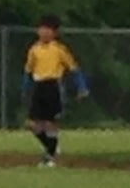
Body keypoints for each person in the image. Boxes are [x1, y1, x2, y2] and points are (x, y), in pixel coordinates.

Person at [23, 16, 85, 166]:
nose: (44, 32)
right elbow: (28, 70)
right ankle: (51, 146)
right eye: (41, 29)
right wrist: (25, 87)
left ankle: (50, 157)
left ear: (54, 33)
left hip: (53, 86)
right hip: (38, 86)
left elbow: (74, 69)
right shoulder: (34, 49)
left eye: (48, 30)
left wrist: (81, 87)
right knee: (32, 124)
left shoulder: (59, 49)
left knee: (50, 122)